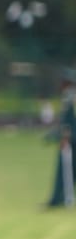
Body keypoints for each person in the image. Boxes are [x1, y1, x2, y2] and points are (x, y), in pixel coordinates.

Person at [45, 73, 75, 209]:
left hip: (70, 141)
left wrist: (64, 137)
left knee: (64, 172)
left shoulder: (70, 97)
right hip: (71, 139)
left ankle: (58, 199)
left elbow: (68, 121)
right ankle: (60, 199)